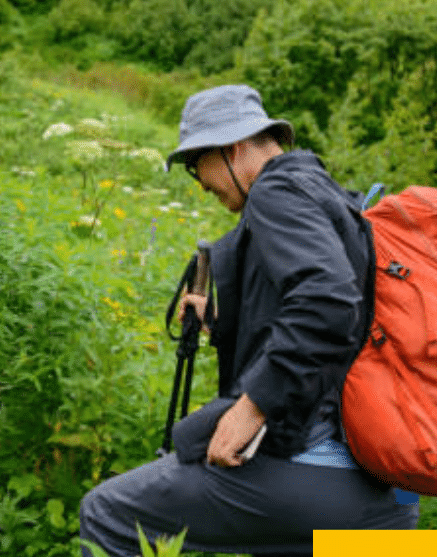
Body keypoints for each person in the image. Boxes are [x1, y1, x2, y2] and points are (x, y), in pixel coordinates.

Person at [78, 84, 419, 557]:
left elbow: (328, 300)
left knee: (108, 515)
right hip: (378, 487)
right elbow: (331, 310)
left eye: (199, 165)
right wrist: (219, 323)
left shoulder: (275, 192)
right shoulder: (325, 190)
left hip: (315, 472)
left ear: (234, 148)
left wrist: (252, 406)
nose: (199, 183)